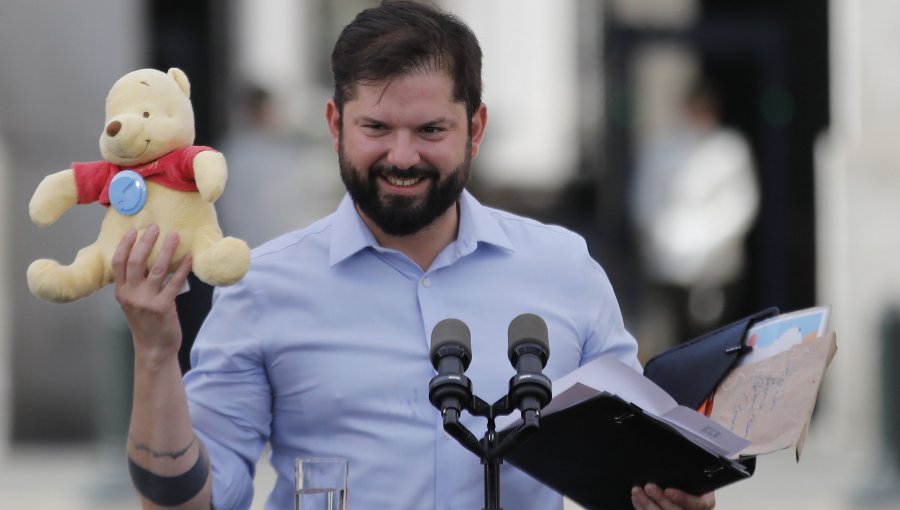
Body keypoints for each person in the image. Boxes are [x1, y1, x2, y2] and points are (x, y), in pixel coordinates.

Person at [114, 2, 716, 509]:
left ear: (475, 129)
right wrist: (155, 352)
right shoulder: (263, 285)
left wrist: (677, 490)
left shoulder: (565, 270)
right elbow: (190, 502)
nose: (402, 157)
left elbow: (637, 466)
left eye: (430, 130)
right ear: (335, 124)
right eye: (377, 128)